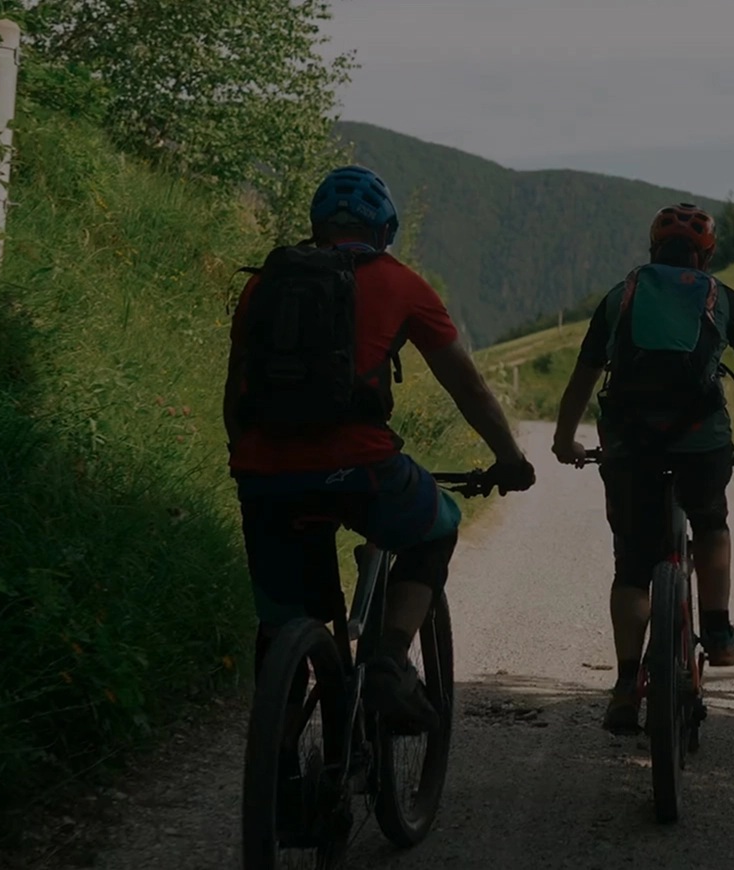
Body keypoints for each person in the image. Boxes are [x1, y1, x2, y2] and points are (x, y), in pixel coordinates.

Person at [225, 165, 536, 734]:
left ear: (317, 225)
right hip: (362, 471)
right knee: (437, 525)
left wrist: (247, 462)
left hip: (264, 476)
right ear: (385, 229)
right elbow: (467, 385)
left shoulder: (263, 283)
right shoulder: (401, 283)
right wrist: (509, 459)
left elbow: (236, 389)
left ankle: (279, 755)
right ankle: (390, 659)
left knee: (287, 619)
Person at [550, 203, 734, 735]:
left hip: (629, 443)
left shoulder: (621, 296)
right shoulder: (724, 298)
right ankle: (717, 629)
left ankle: (623, 686)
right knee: (710, 521)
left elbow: (584, 374)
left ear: (652, 249)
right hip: (700, 439)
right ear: (705, 255)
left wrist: (563, 438)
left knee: (632, 564)